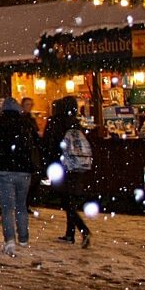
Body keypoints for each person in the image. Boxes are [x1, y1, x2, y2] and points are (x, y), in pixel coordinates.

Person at [0, 98, 39, 255]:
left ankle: (9, 239)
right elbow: (35, 145)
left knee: (7, 207)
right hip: (23, 170)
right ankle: (23, 237)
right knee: (21, 205)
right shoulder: (26, 125)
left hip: (2, 170)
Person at [44, 96, 93, 248]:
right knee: (70, 199)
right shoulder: (76, 123)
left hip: (62, 165)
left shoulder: (55, 122)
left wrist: (48, 165)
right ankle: (70, 233)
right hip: (76, 164)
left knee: (66, 200)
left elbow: (50, 145)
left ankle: (82, 230)